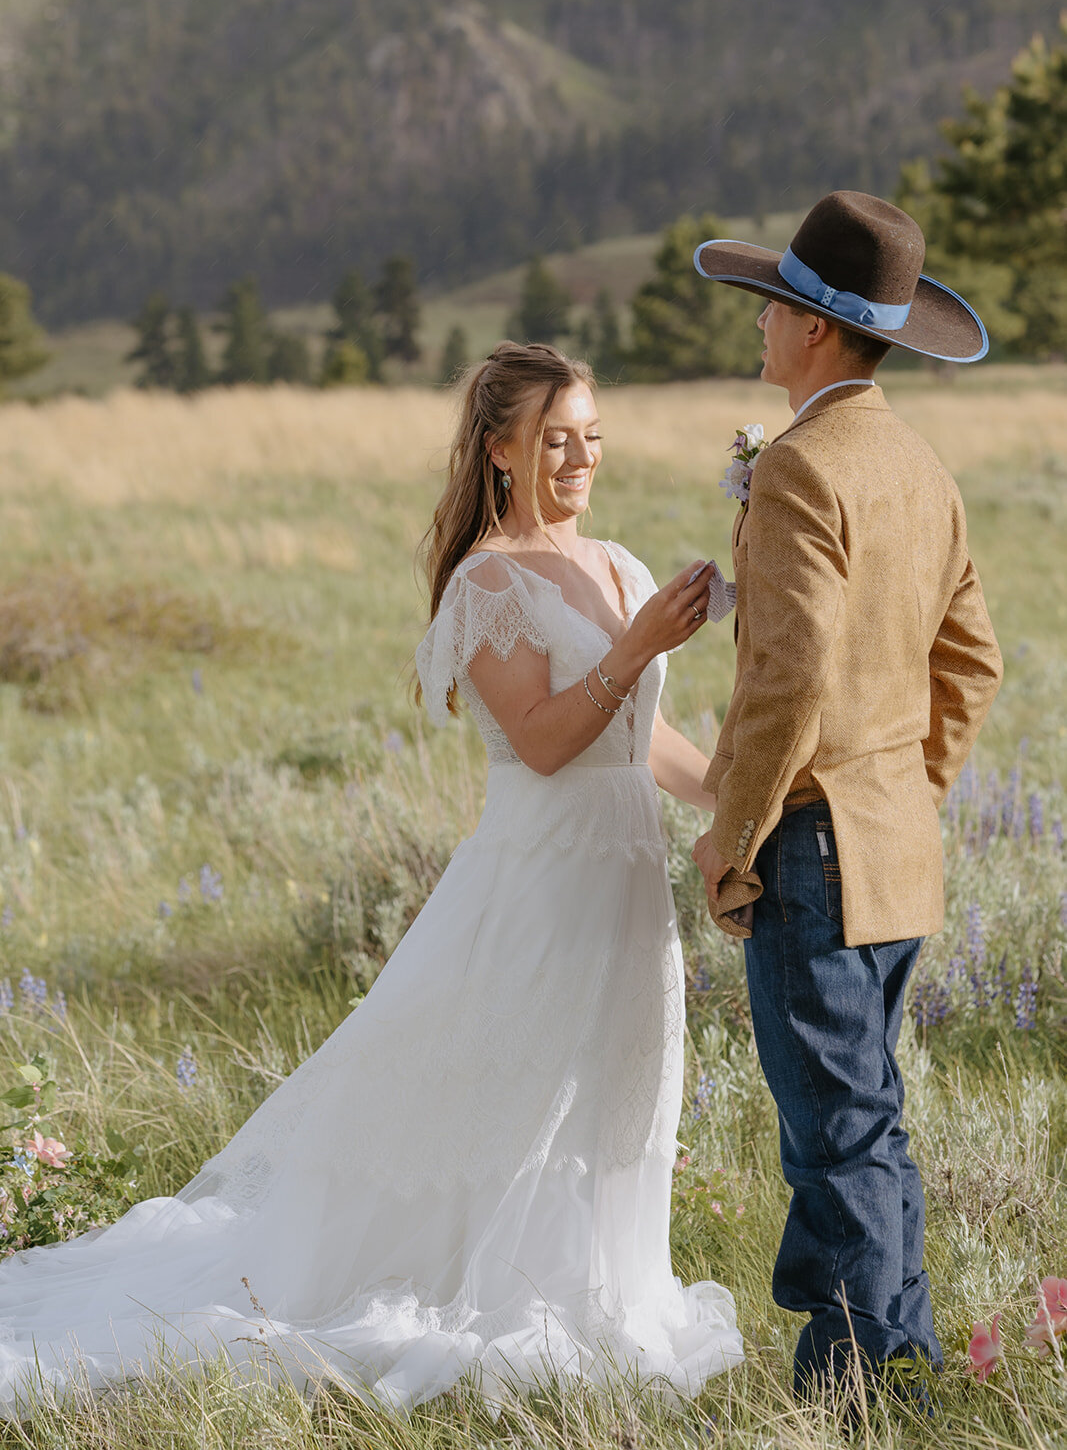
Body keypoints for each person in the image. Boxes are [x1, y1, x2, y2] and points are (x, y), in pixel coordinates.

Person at [0, 340, 743, 1418]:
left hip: (624, 881)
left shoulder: (623, 565)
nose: (578, 458)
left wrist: (738, 792)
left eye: (591, 437)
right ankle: (482, 1289)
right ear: (498, 449)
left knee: (611, 1089)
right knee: (510, 1087)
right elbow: (539, 741)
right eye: (553, 439)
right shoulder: (488, 581)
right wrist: (631, 646)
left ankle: (592, 1291)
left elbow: (645, 739)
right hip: (535, 883)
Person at [690, 192, 1003, 1404]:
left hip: (812, 846)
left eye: (770, 306)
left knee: (837, 1129)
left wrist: (735, 835)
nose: (757, 326)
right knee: (856, 1119)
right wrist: (905, 790)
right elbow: (969, 660)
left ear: (814, 329)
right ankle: (857, 1368)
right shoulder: (919, 467)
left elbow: (789, 676)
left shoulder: (803, 465)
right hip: (891, 847)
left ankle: (876, 1384)